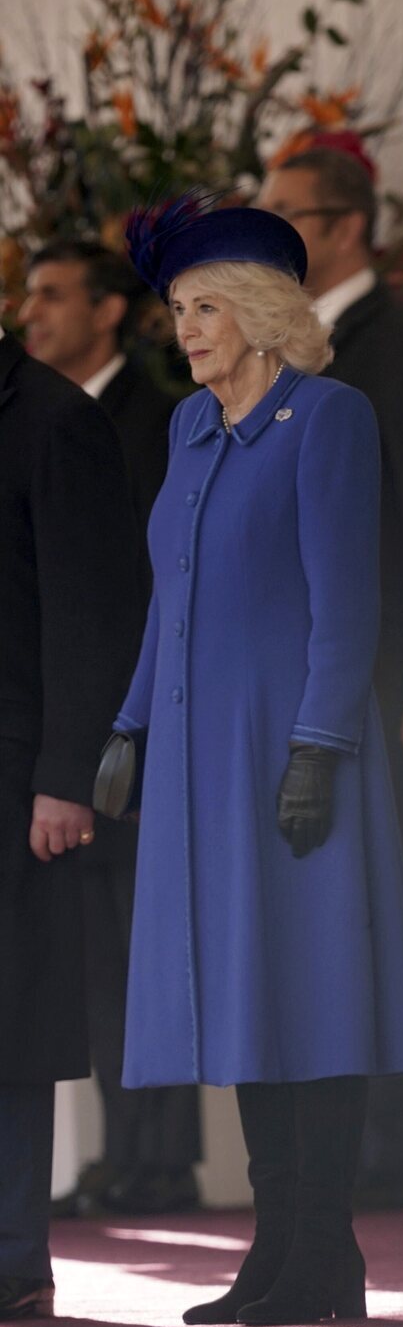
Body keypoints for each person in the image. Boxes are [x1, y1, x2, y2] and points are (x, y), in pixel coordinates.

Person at [116, 196, 403, 1326]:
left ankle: (324, 1249)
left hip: (294, 746)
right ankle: (274, 1249)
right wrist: (124, 728)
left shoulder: (328, 415)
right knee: (249, 996)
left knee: (314, 994)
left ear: (260, 313)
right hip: (200, 757)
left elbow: (348, 603)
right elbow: (172, 596)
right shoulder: (190, 429)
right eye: (175, 308)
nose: (186, 328)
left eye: (205, 306)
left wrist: (320, 746)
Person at [257, 147, 403, 1211]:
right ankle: (346, 1150)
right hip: (302, 682)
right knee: (332, 913)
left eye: (288, 217)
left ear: (344, 226)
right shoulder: (276, 355)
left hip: (385, 680)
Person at [19, 239, 202, 1219]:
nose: (32, 311)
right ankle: (126, 1150)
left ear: (110, 311)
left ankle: (163, 1156)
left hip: (135, 723)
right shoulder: (44, 412)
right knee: (95, 957)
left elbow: (126, 592)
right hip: (82, 725)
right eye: (27, 294)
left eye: (55, 294)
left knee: (147, 948)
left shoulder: (147, 416)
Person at [0, 317, 142, 1319]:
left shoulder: (56, 419)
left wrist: (65, 779)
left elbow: (95, 611)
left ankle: (12, 1256)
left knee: (12, 1026)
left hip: (18, 779)